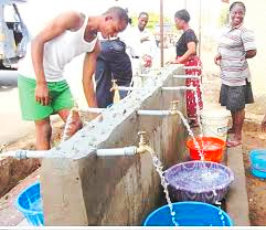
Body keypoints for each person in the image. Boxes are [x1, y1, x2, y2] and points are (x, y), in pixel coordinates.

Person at [17, 7, 129, 150]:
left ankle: (65, 161)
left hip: (58, 80)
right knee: (44, 128)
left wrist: (95, 113)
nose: (114, 34)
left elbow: (87, 80)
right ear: (107, 18)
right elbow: (37, 41)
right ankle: (48, 170)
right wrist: (41, 83)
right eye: (115, 29)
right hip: (33, 77)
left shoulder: (95, 46)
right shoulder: (74, 19)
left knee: (75, 123)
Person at [214, 1, 256, 147]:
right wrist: (220, 55)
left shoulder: (245, 31)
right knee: (232, 104)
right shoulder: (227, 29)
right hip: (227, 76)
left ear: (244, 15)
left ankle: (238, 137)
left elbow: (252, 51)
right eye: (235, 12)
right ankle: (234, 128)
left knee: (238, 107)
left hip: (238, 77)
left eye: (241, 12)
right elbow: (224, 47)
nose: (237, 15)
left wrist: (239, 58)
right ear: (230, 13)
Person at [170, 9, 203, 127]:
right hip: (189, 64)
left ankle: (195, 119)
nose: (175, 23)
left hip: (191, 65)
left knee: (191, 91)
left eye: (176, 20)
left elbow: (192, 50)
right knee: (191, 90)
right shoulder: (186, 33)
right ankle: (194, 117)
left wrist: (178, 61)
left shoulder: (189, 33)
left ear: (182, 21)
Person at [95, 19, 133, 108]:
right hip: (114, 48)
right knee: (124, 83)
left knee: (103, 85)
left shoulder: (104, 24)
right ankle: (126, 108)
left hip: (102, 47)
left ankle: (104, 112)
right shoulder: (126, 29)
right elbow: (134, 48)